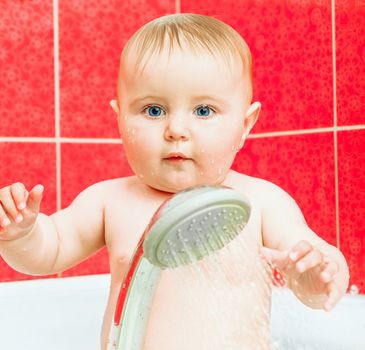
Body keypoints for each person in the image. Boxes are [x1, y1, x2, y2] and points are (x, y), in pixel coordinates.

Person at [0, 13, 349, 350]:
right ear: (120, 120)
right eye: (153, 110)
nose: (176, 130)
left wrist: (318, 274)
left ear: (245, 125)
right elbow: (50, 251)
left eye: (203, 111)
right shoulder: (108, 201)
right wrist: (23, 235)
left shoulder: (261, 203)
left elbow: (312, 271)